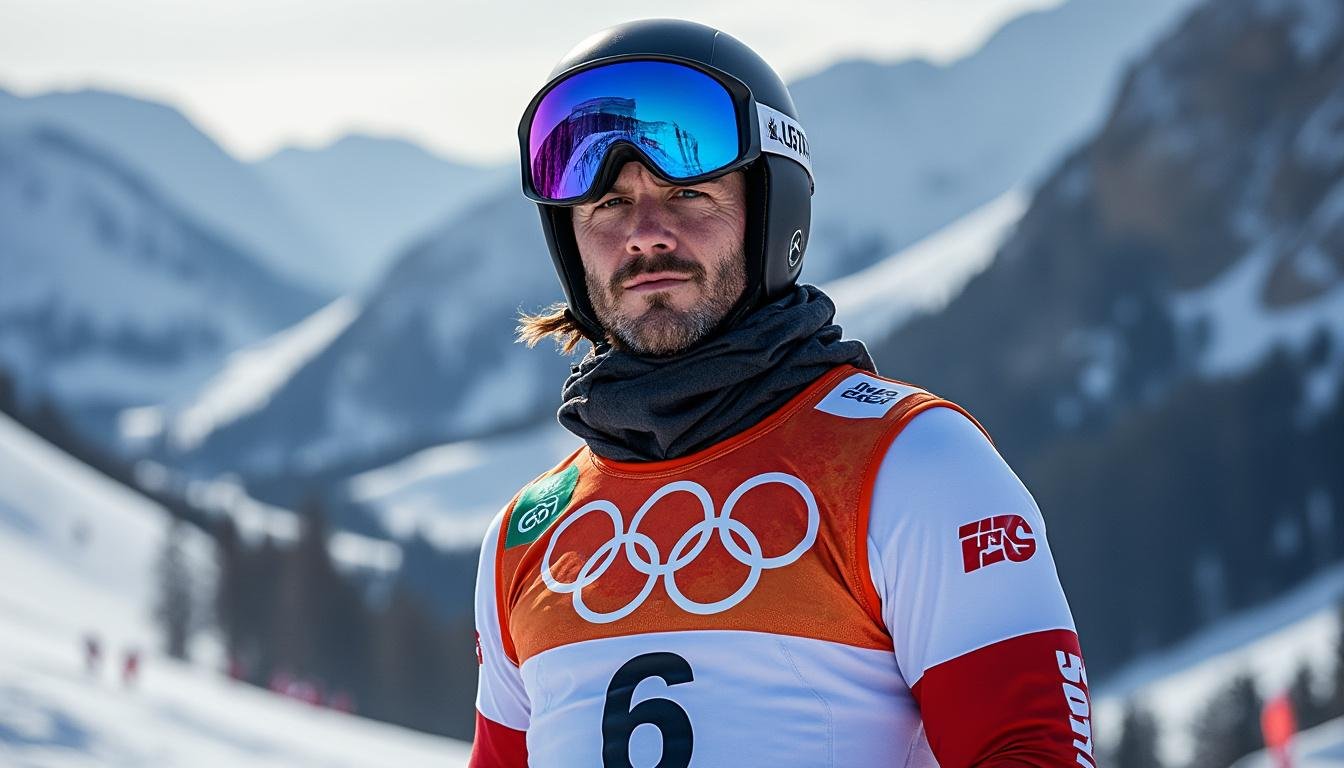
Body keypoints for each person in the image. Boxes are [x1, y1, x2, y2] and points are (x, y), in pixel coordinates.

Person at [471, 19, 1093, 767]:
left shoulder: (910, 464)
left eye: (688, 191)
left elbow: (1030, 750)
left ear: (772, 213)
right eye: (606, 205)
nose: (643, 233)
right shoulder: (526, 537)